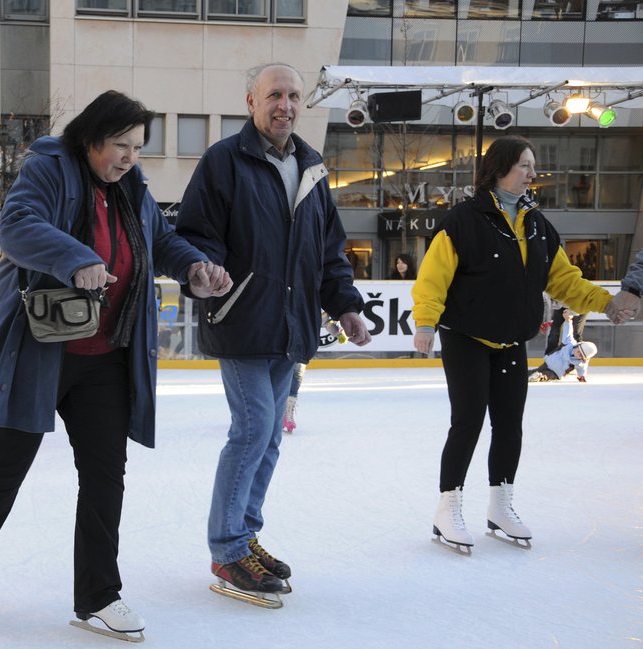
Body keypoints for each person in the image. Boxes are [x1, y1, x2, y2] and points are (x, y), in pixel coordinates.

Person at [0, 90, 231, 640]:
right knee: (5, 467)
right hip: (40, 351)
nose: (129, 157)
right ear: (91, 139)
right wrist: (76, 258)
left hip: (105, 357)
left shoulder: (132, 188)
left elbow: (161, 239)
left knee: (104, 478)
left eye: (138, 147)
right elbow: (19, 224)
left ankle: (98, 596)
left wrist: (194, 267)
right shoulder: (50, 168)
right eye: (120, 145)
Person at [175, 63, 371, 603]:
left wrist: (346, 305)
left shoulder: (311, 167)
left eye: (292, 95)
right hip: (240, 319)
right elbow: (194, 232)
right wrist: (204, 270)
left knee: (269, 437)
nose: (284, 104)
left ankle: (245, 533)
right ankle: (227, 547)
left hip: (292, 325)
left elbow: (329, 251)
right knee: (254, 426)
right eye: (274, 95)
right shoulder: (224, 161)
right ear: (251, 102)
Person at [412, 135, 615, 553]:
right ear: (500, 168)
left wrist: (607, 304)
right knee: (468, 422)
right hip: (466, 337)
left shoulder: (537, 224)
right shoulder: (464, 220)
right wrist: (426, 323)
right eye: (525, 165)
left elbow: (563, 281)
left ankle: (500, 505)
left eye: (533, 165)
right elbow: (433, 277)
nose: (533, 174)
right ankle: (447, 508)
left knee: (509, 425)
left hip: (510, 342)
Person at [528, 310, 597, 382]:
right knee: (536, 371)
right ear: (577, 346)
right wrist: (568, 321)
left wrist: (582, 376)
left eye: (581, 355)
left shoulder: (580, 363)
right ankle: (524, 374)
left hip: (556, 373)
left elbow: (582, 369)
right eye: (579, 351)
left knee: (547, 375)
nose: (578, 355)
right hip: (548, 363)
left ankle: (540, 377)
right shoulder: (569, 343)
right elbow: (568, 332)